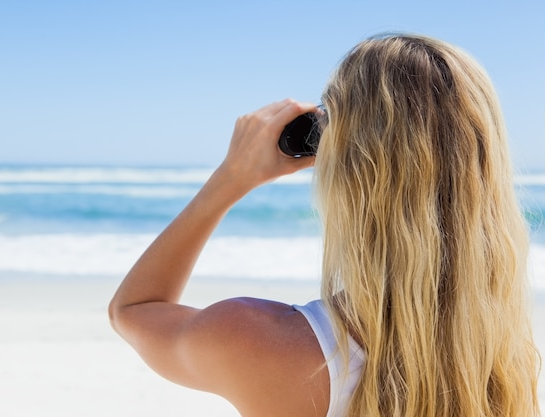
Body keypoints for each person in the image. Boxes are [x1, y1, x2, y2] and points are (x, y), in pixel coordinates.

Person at [109, 34, 541, 417]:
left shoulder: (263, 343)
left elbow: (133, 311)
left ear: (346, 164)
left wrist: (231, 177)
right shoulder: (506, 361)